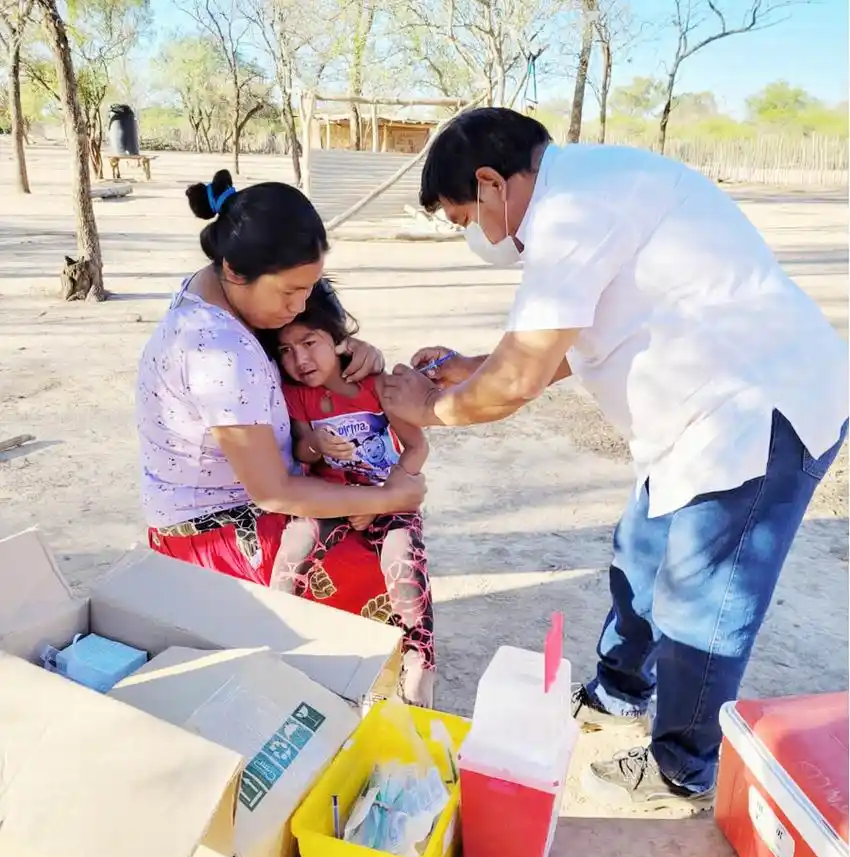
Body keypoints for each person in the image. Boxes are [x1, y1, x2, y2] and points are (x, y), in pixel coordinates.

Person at [378, 108, 848, 811]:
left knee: (703, 596)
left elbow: (518, 380)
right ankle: (619, 691)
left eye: (461, 218)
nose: (470, 234)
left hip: (756, 414)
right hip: (699, 413)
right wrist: (469, 367)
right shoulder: (591, 190)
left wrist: (423, 409)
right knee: (640, 553)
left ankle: (681, 767)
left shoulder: (572, 211)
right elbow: (577, 341)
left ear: (490, 182)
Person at [136, 169, 426, 604]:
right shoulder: (219, 351)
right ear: (234, 270)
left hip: (231, 513)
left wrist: (348, 349)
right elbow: (272, 491)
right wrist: (388, 496)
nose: (300, 306)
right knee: (389, 576)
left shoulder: (213, 288)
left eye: (309, 289)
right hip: (221, 535)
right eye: (290, 292)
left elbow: (287, 347)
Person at [269, 280, 434, 706]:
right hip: (331, 499)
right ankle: (274, 639)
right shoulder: (296, 395)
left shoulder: (376, 385)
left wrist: (393, 490)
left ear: (339, 339)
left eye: (310, 342)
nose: (300, 359)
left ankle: (419, 663)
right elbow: (304, 451)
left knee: (403, 562)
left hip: (389, 500)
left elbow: (417, 446)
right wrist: (317, 446)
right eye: (286, 350)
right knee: (296, 545)